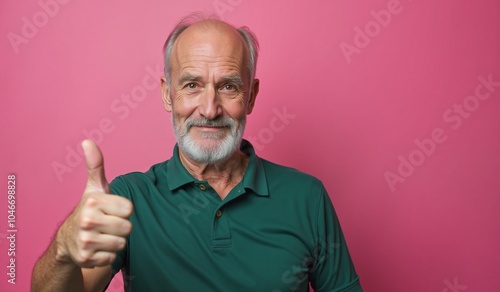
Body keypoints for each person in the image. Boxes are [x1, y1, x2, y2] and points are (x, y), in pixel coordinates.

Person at [31, 13, 363, 291]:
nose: (209, 108)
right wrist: (64, 249)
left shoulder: (306, 197)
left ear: (250, 96)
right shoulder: (127, 199)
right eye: (192, 85)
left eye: (228, 86)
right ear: (167, 94)